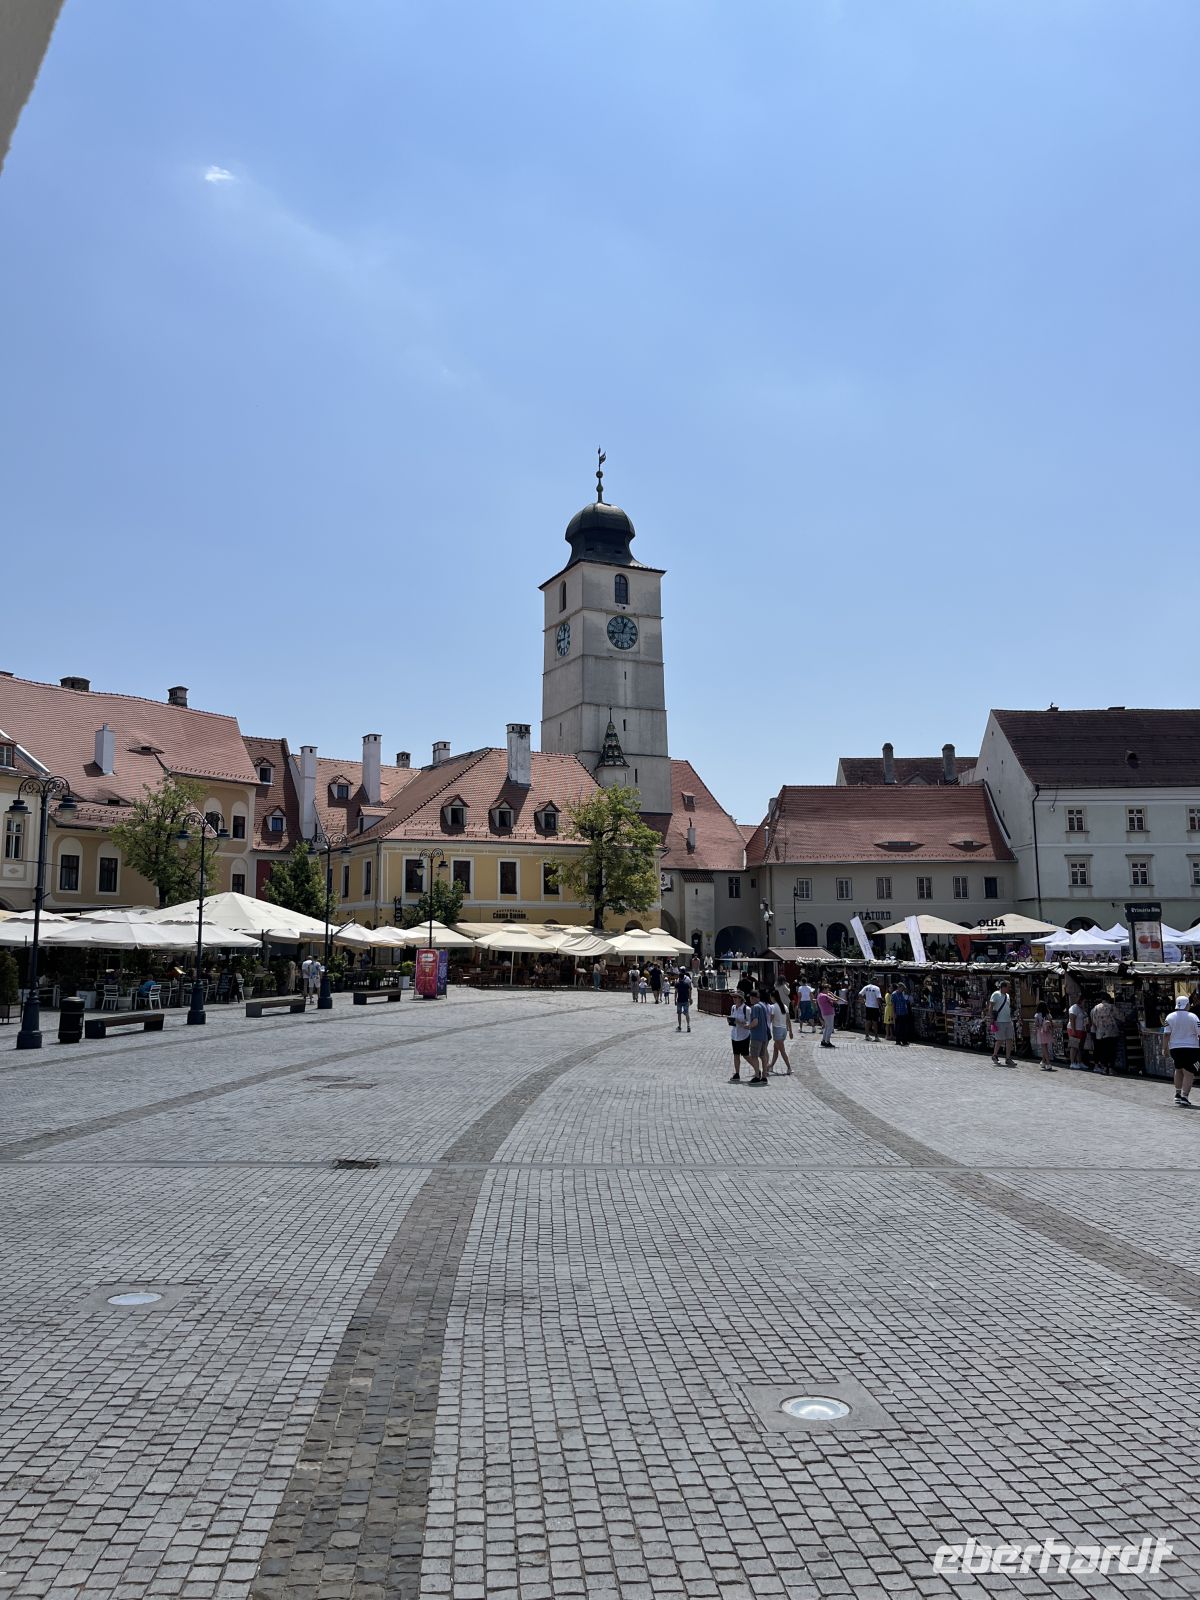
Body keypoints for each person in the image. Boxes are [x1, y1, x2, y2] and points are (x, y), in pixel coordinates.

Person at [1163, 996, 1200, 1108]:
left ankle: (1178, 1094)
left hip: (1175, 1048)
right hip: (1191, 1048)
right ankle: (1185, 1096)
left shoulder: (1169, 1017)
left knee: (1178, 1069)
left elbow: (1166, 1034)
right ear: (1187, 1005)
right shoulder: (1193, 1017)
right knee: (1189, 1073)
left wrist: (1165, 1048)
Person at [746, 989, 772, 1085]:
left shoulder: (755, 1007)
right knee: (763, 1056)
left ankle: (757, 1076)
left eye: (750, 998)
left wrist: (748, 1026)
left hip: (756, 1035)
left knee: (754, 1056)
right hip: (764, 1035)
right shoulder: (763, 1006)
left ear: (753, 998)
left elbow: (755, 1022)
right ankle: (764, 1076)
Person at [1090, 994, 1120, 1075]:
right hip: (1111, 1032)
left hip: (1100, 1033)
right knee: (1111, 1050)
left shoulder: (1095, 1008)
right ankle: (1111, 1069)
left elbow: (1094, 1021)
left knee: (1103, 1050)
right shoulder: (1111, 1007)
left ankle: (1104, 1068)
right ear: (1108, 999)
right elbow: (1119, 1017)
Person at [989, 980, 1016, 1066]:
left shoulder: (1007, 996)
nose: (1009, 988)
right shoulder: (996, 994)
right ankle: (995, 1055)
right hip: (1000, 1020)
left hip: (1008, 1020)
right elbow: (991, 1006)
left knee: (1009, 1039)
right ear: (1003, 987)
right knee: (1000, 1039)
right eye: (1008, 987)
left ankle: (1008, 1058)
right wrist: (992, 1017)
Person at [728, 993, 752, 1081]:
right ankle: (737, 1073)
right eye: (733, 997)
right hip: (735, 1034)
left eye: (736, 997)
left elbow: (750, 1023)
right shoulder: (733, 1008)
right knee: (736, 1055)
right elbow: (733, 1019)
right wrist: (731, 1021)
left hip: (744, 1035)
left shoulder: (747, 1009)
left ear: (741, 999)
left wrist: (740, 1023)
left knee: (746, 1055)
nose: (734, 999)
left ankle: (757, 1068)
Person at [767, 990, 793, 1073]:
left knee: (782, 1050)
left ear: (773, 997)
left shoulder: (773, 1007)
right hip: (784, 1030)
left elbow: (770, 1020)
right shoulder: (784, 1006)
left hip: (777, 1030)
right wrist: (791, 1031)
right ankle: (771, 1066)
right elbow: (788, 1020)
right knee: (776, 1049)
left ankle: (789, 1067)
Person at [1066, 997, 1089, 1068]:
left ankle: (1079, 1062)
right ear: (1080, 1001)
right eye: (1084, 1002)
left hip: (1082, 1029)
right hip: (1075, 1029)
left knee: (1080, 1047)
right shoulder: (1074, 1008)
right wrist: (1073, 1030)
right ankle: (1072, 1062)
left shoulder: (1082, 1009)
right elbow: (1072, 1018)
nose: (1085, 1004)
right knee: (1074, 1046)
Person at [1033, 1006, 1056, 1070]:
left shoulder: (1037, 1015)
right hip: (1048, 1032)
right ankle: (1043, 1062)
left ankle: (1048, 1063)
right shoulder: (1048, 1014)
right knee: (1045, 1047)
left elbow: (1036, 1024)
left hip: (1041, 1032)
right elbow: (1051, 1024)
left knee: (1044, 1047)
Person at [816, 981, 837, 1048]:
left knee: (827, 1027)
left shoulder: (819, 995)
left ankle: (823, 1041)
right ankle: (827, 1041)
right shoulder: (824, 995)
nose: (828, 990)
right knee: (830, 1027)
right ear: (824, 989)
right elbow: (835, 1000)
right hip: (828, 1013)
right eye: (828, 989)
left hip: (825, 1013)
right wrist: (832, 995)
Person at [892, 980, 911, 1046]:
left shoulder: (903, 994)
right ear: (899, 987)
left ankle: (904, 1041)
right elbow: (893, 1005)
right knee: (898, 1028)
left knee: (904, 1028)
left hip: (904, 1013)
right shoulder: (894, 994)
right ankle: (898, 1040)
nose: (903, 990)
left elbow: (906, 1002)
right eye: (902, 988)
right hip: (898, 1013)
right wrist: (894, 1014)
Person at [674, 965, 693, 1033]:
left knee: (679, 1013)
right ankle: (688, 1025)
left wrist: (675, 1000)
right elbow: (690, 990)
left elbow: (676, 992)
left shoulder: (678, 983)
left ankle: (679, 1026)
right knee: (687, 1013)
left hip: (680, 1000)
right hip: (686, 999)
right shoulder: (687, 982)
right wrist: (690, 998)